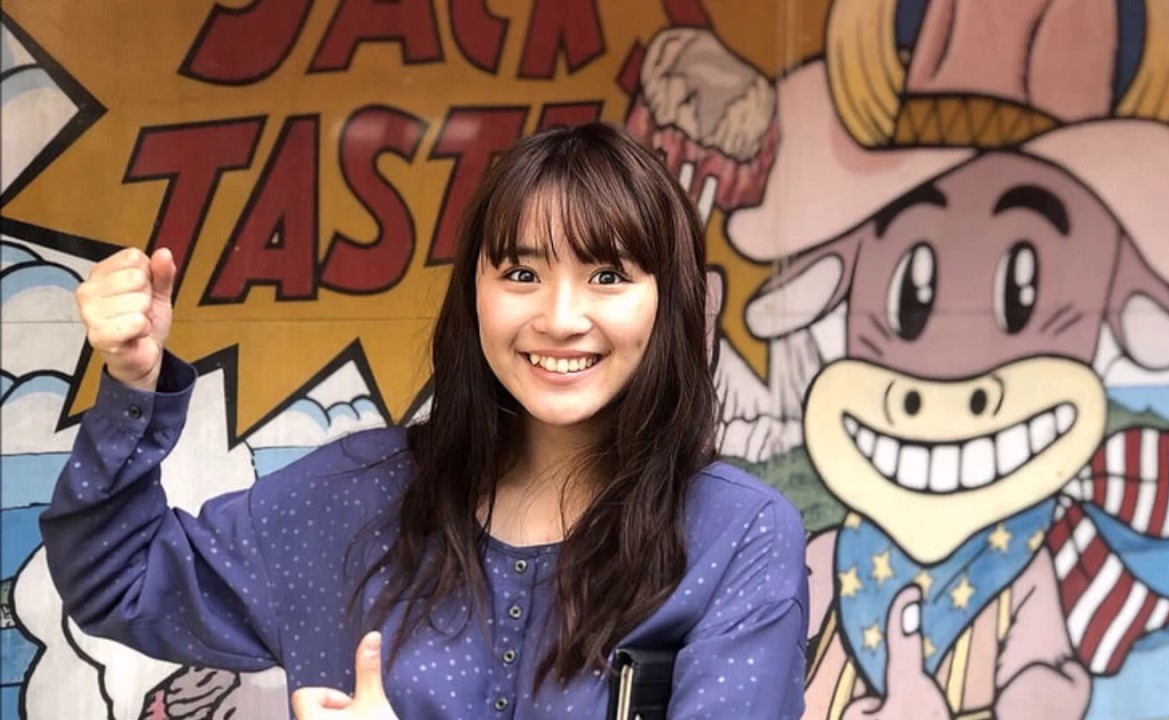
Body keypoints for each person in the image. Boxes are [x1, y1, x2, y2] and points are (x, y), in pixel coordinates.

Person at [40, 122, 809, 719]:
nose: (560, 317)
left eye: (607, 275)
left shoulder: (738, 537)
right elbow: (120, 580)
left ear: (668, 300)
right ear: (473, 292)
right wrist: (133, 383)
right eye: (521, 271)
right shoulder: (357, 495)